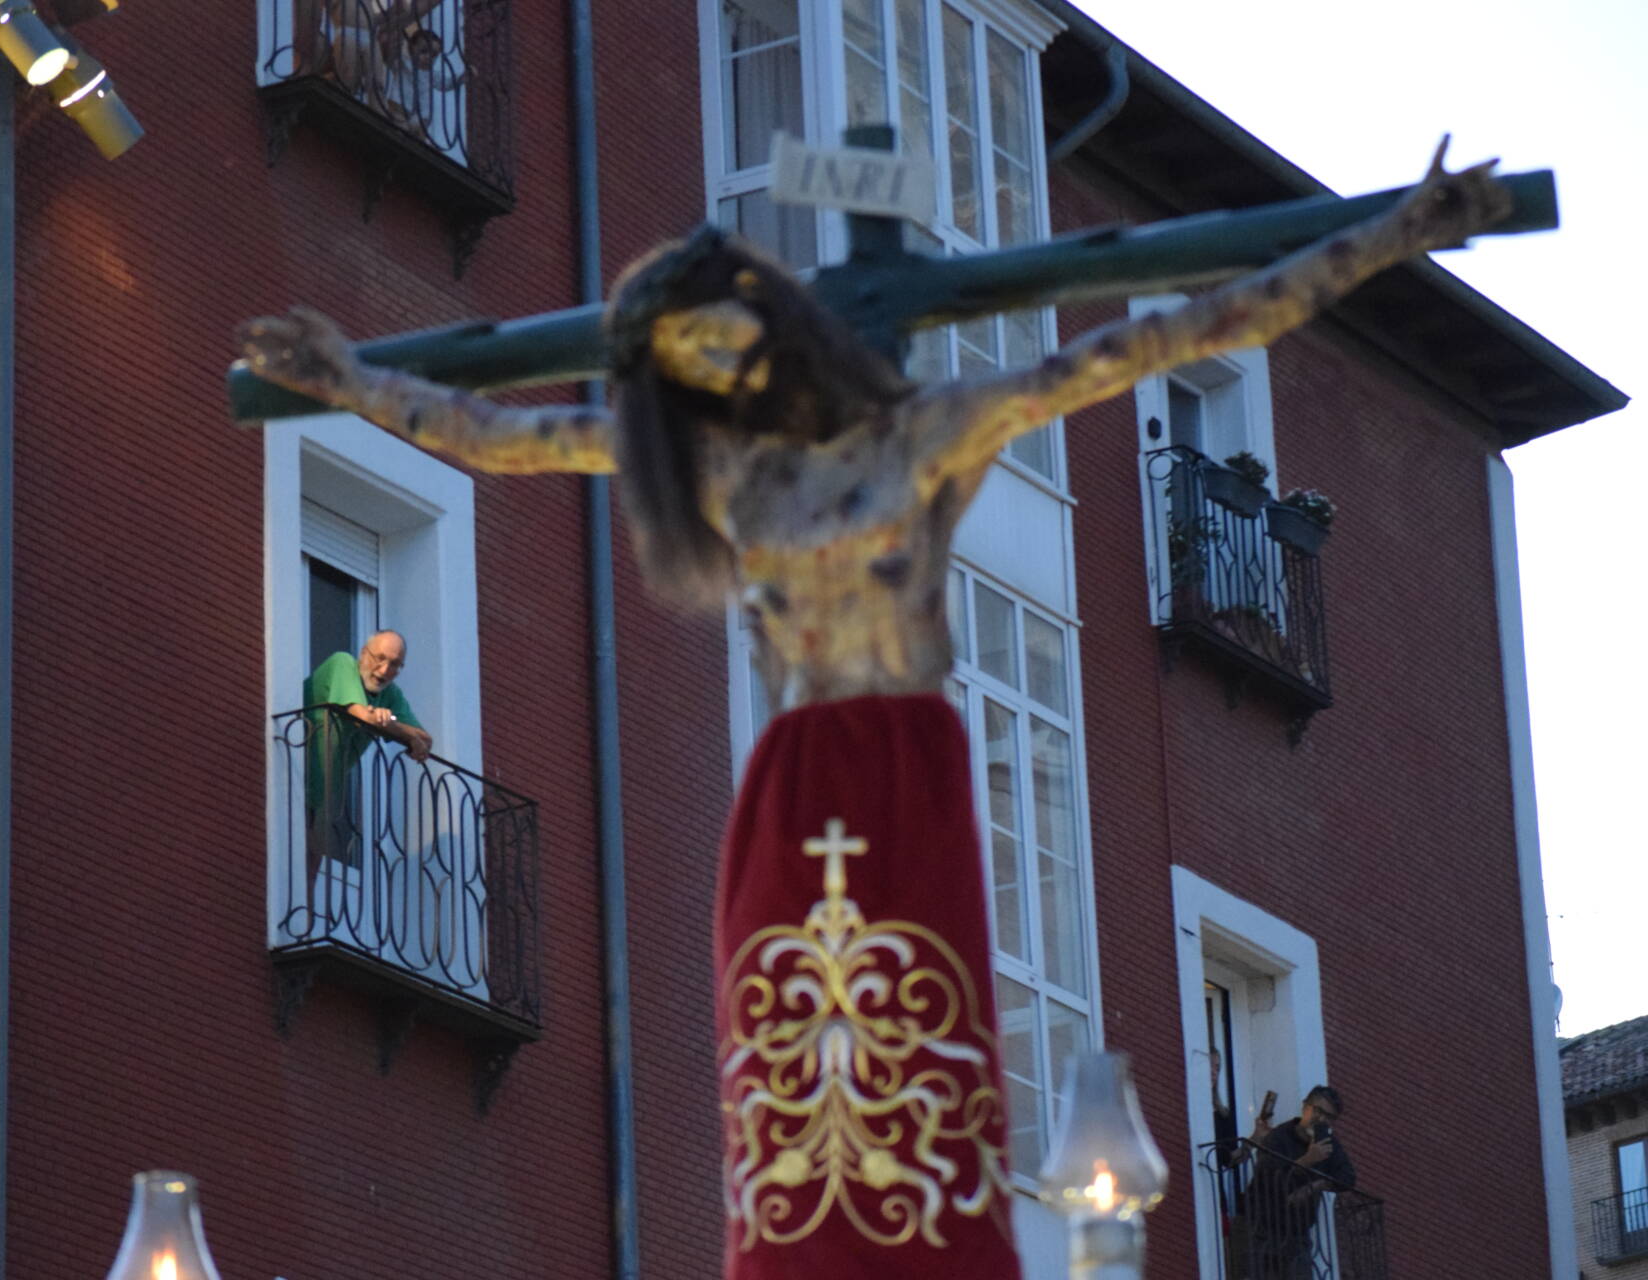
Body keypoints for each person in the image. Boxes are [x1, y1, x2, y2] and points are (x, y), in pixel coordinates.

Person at [240, 144, 1508, 1280]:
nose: (715, 381)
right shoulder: (728, 475)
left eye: (722, 351)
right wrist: (347, 376)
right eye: (690, 371)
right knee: (793, 1084)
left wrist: (1389, 232)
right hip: (789, 780)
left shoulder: (924, 433)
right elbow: (494, 433)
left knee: (917, 1060)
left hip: (903, 767)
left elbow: (1156, 342)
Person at [1229, 1086, 1356, 1280]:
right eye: (1318, 1110)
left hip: (1295, 1235)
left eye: (1329, 1116)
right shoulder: (1279, 1136)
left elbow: (1348, 1177)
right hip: (1258, 1227)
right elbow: (1269, 1178)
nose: (1321, 1118)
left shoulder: (1328, 1145)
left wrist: (1315, 1186)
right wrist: (1307, 1160)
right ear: (1305, 1107)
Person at [306, 629, 433, 762]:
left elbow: (425, 740)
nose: (384, 670)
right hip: (296, 766)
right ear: (363, 653)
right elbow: (364, 718)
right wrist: (404, 733)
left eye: (394, 664)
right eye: (380, 658)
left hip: (335, 775)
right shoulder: (342, 663)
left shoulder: (390, 693)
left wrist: (389, 722)